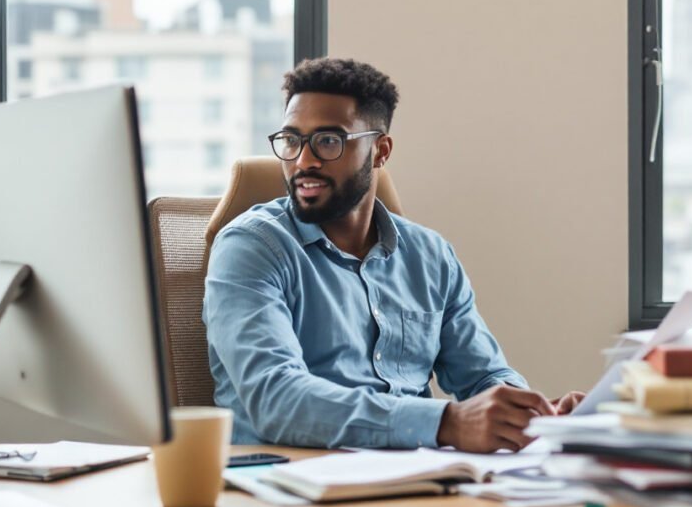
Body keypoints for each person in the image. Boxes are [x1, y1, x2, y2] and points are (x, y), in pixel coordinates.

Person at [203, 58, 584, 452]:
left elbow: (482, 376)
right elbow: (276, 400)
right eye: (292, 140)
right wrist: (446, 423)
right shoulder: (250, 248)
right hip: (289, 484)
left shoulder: (430, 256)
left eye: (329, 141)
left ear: (380, 151)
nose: (304, 161)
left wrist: (535, 415)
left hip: (416, 479)